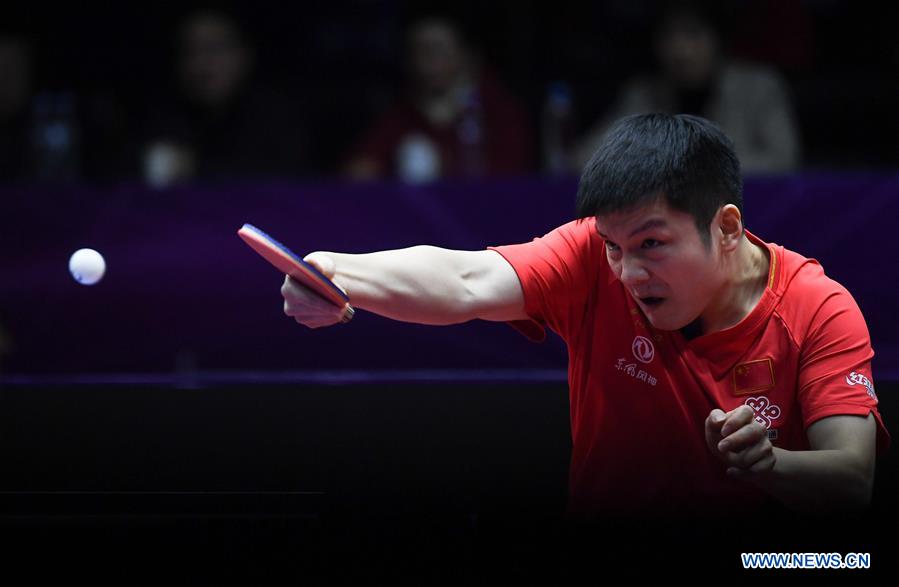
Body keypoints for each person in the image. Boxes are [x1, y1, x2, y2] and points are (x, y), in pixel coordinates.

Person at [281, 113, 887, 521]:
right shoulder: (590, 259)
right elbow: (465, 279)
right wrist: (336, 273)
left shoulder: (818, 309)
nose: (627, 274)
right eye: (614, 247)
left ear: (726, 227)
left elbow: (853, 480)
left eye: (652, 244)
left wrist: (771, 466)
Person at [574, 2, 801, 175]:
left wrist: (692, 163)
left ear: (717, 39)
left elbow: (784, 160)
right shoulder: (643, 95)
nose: (681, 50)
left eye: (693, 33)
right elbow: (582, 158)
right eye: (669, 35)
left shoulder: (759, 87)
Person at [343, 16, 533, 183]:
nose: (425, 63)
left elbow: (511, 176)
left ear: (467, 56)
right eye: (417, 51)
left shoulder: (499, 110)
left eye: (436, 50)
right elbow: (359, 171)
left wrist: (444, 163)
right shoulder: (401, 113)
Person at [140, 9, 308, 186]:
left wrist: (197, 168)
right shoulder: (164, 117)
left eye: (215, 48)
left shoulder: (278, 117)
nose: (202, 63)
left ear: (245, 55)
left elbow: (289, 180)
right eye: (190, 51)